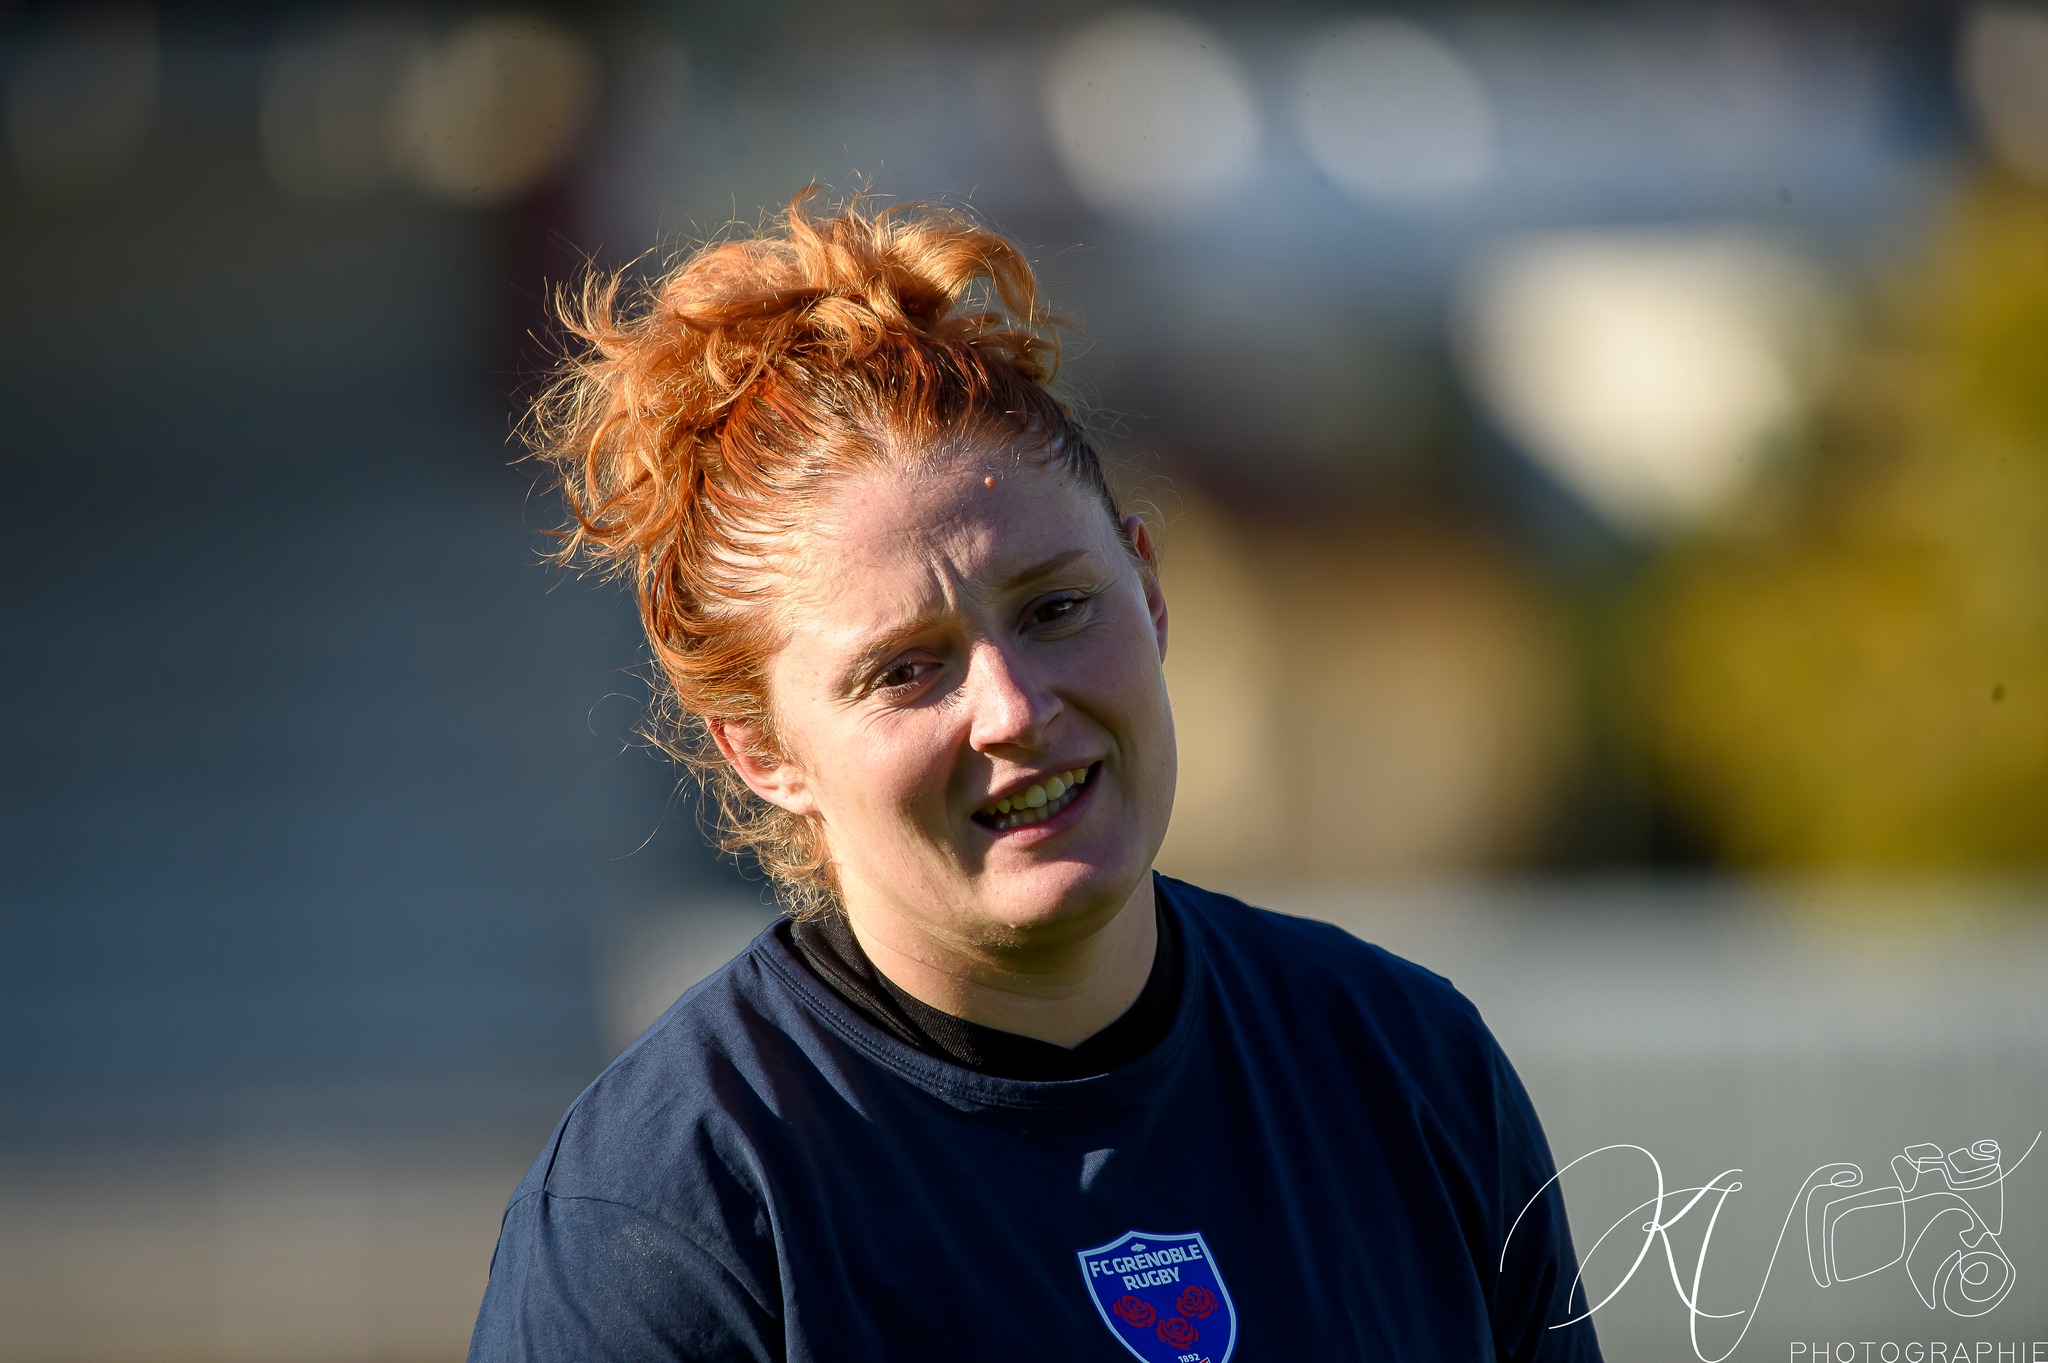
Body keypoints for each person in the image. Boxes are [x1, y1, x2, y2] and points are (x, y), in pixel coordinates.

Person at [468, 191, 1601, 1363]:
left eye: (1056, 609)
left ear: (1151, 592)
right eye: (906, 671)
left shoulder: (1406, 1070)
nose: (1013, 707)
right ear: (759, 749)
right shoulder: (668, 1218)